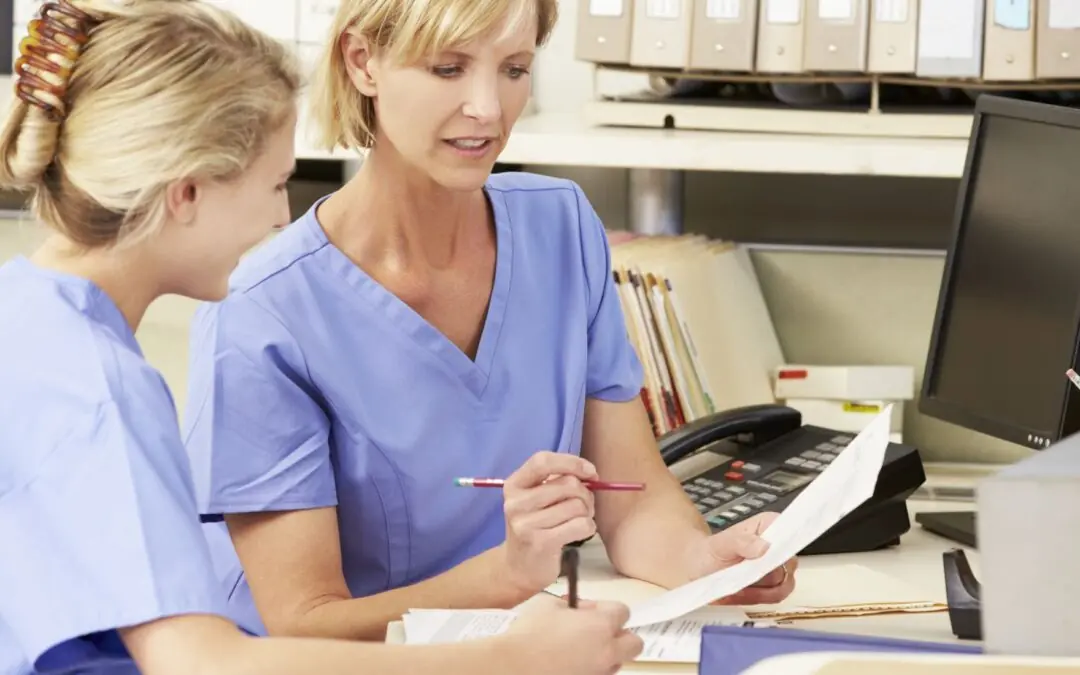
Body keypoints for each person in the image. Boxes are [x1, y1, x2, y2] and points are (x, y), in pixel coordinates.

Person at [0, 1, 643, 674]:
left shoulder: (31, 318)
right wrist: (511, 660)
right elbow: (201, 663)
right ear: (185, 193)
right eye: (277, 184)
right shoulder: (105, 388)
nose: (284, 215)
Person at [182, 0, 800, 642]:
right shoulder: (262, 312)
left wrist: (706, 564)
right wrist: (509, 572)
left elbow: (632, 498)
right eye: (448, 69)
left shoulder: (561, 226)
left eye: (513, 69)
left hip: (511, 642)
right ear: (363, 62)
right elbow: (304, 625)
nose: (488, 107)